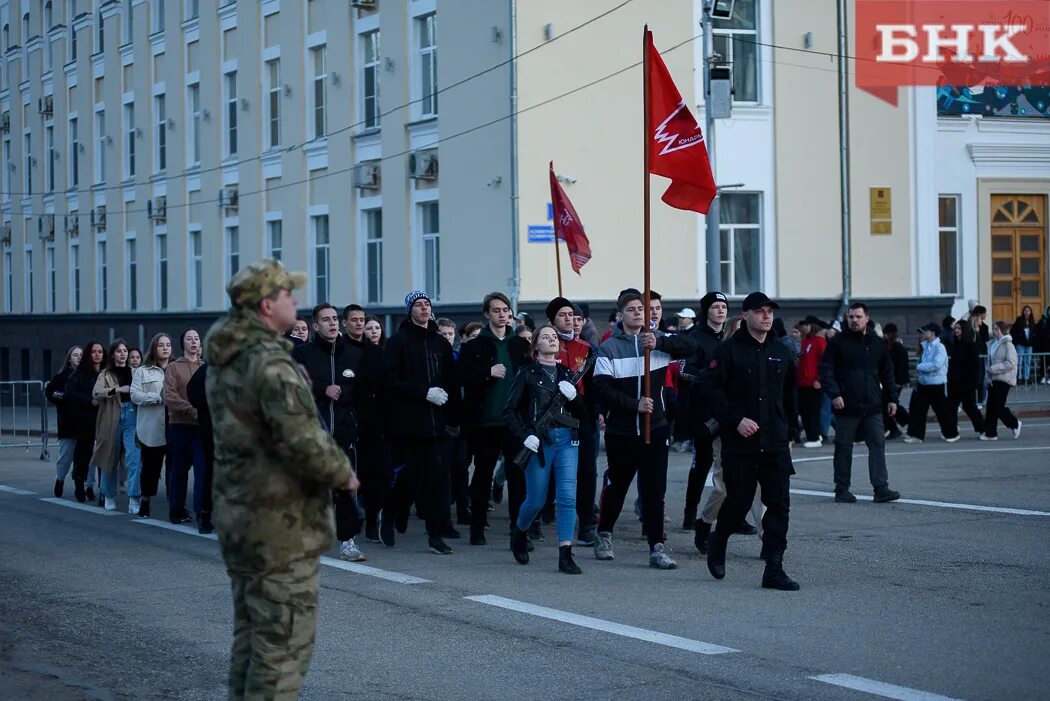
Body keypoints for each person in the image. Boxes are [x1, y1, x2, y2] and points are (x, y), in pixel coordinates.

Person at [202, 259, 354, 700]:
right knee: (283, 648)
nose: (297, 301)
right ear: (268, 306)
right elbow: (303, 438)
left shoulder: (229, 354)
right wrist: (344, 474)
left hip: (241, 514)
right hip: (278, 523)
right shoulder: (269, 363)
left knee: (252, 638)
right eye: (289, 294)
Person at [591, 289, 696, 570]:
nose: (639, 313)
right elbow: (601, 387)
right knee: (618, 485)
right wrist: (632, 404)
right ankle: (604, 534)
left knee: (654, 489)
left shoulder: (659, 341)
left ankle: (657, 545)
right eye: (632, 309)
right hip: (622, 429)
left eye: (642, 309)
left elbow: (693, 346)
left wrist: (660, 339)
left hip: (656, 426)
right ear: (620, 315)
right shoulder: (609, 347)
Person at [705, 292, 800, 591]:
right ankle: (718, 538)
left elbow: (790, 396)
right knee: (738, 501)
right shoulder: (729, 351)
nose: (766, 316)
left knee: (779, 505)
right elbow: (707, 392)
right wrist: (735, 420)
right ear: (745, 315)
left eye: (769, 311)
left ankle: (774, 568)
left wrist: (792, 433)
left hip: (774, 442)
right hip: (740, 444)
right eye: (759, 311)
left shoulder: (782, 351)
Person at [380, 290, 459, 554]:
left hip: (437, 424)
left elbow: (451, 381)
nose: (424, 308)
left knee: (436, 480)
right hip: (408, 423)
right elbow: (389, 381)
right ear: (409, 310)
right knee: (409, 478)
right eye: (418, 305)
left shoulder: (441, 344)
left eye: (427, 304)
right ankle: (391, 514)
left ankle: (434, 535)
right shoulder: (398, 342)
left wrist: (453, 415)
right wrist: (422, 392)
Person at [504, 324, 585, 574]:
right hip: (539, 442)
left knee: (567, 498)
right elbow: (509, 410)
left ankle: (565, 553)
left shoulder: (566, 373)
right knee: (536, 500)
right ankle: (520, 531)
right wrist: (525, 435)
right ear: (535, 344)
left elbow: (583, 413)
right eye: (545, 337)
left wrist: (575, 398)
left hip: (567, 441)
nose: (552, 340)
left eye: (554, 337)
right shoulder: (526, 373)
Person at [293, 303, 368, 562]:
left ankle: (348, 542)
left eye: (335, 319)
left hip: (346, 432)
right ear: (315, 326)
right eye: (326, 320)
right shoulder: (302, 354)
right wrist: (323, 389)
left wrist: (344, 393)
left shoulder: (355, 355)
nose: (332, 323)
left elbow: (361, 391)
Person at [457, 292, 532, 546]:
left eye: (505, 310)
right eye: (496, 310)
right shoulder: (474, 346)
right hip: (485, 421)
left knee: (517, 477)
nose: (502, 314)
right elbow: (462, 377)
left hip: (515, 423)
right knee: (482, 476)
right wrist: (486, 372)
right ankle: (477, 529)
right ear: (487, 314)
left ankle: (518, 531)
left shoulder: (520, 345)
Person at [819, 303, 901, 504]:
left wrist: (892, 399)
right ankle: (842, 489)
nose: (854, 320)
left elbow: (887, 372)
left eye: (858, 317)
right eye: (851, 317)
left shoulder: (877, 342)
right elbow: (826, 370)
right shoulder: (838, 342)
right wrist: (835, 394)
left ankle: (881, 488)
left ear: (867, 318)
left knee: (877, 446)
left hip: (873, 405)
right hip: (846, 406)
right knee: (844, 448)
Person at [547, 296, 600, 547]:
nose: (568, 319)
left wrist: (592, 409)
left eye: (571, 315)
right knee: (549, 471)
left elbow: (594, 386)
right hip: (551, 418)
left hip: (581, 417)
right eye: (562, 315)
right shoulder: (545, 345)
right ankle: (540, 516)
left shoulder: (586, 348)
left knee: (587, 471)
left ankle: (587, 523)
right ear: (552, 320)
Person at [682, 291, 728, 531]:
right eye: (716, 307)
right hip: (702, 412)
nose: (721, 311)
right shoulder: (695, 338)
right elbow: (685, 372)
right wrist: (710, 378)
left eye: (723, 306)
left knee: (730, 467)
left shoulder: (731, 337)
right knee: (701, 464)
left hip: (728, 412)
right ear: (706, 311)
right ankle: (690, 512)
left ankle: (732, 515)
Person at [90, 339, 142, 513]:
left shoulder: (135, 372)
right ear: (113, 354)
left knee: (134, 459)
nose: (123, 353)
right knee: (109, 458)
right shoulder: (106, 374)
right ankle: (108, 495)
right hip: (112, 417)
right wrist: (117, 390)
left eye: (125, 350)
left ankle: (134, 498)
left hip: (132, 417)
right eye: (119, 351)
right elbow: (96, 392)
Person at [164, 329, 208, 526]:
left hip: (202, 427)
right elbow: (169, 396)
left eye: (196, 339)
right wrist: (190, 410)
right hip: (180, 425)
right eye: (189, 339)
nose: (193, 342)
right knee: (179, 470)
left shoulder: (206, 367)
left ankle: (202, 512)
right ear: (183, 344)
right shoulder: (174, 367)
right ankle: (176, 509)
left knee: (202, 470)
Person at [130, 334, 172, 520]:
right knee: (151, 468)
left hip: (174, 425)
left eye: (168, 345)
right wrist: (155, 398)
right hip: (151, 426)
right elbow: (134, 395)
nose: (165, 348)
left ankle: (175, 503)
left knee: (174, 467)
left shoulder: (175, 368)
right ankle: (145, 500)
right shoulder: (143, 371)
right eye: (161, 345)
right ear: (154, 348)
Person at [904, 323, 959, 443]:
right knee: (918, 409)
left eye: (924, 331)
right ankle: (916, 435)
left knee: (942, 411)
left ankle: (951, 434)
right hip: (924, 383)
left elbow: (936, 364)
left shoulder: (940, 347)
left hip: (936, 384)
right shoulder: (926, 346)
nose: (922, 334)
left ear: (933, 332)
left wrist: (919, 367)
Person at [65, 342, 104, 503]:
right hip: (84, 419)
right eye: (93, 352)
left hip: (102, 418)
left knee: (102, 454)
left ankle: (102, 488)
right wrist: (90, 401)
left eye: (100, 352)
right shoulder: (80, 373)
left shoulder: (104, 372)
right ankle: (79, 485)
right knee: (83, 454)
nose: (97, 354)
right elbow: (70, 393)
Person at [46, 345, 82, 498]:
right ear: (69, 358)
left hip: (85, 423)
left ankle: (81, 486)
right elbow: (49, 391)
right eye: (75, 355)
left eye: (81, 354)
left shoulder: (88, 375)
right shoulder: (62, 377)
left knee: (84, 457)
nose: (79, 357)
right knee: (66, 457)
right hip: (67, 423)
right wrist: (62, 397)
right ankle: (60, 479)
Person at [981, 321, 1022, 441]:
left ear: (1001, 330)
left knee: (997, 406)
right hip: (994, 379)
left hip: (1004, 379)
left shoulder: (1008, 345)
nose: (993, 331)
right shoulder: (993, 344)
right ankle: (991, 433)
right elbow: (989, 363)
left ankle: (1014, 423)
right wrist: (987, 378)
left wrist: (994, 369)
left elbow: (1011, 363)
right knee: (990, 406)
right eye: (993, 328)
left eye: (995, 329)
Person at [946, 320, 986, 436]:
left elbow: (976, 365)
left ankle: (982, 428)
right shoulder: (955, 345)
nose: (956, 331)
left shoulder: (970, 345)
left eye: (959, 329)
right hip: (955, 383)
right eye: (955, 328)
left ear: (964, 330)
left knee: (969, 407)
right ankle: (952, 430)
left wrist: (975, 382)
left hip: (967, 383)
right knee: (951, 407)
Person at [797, 316, 827, 448]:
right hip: (803, 382)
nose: (804, 327)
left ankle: (815, 437)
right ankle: (812, 436)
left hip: (813, 383)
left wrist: (819, 379)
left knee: (812, 412)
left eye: (807, 325)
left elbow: (825, 363)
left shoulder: (820, 341)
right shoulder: (806, 341)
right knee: (804, 411)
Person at [881, 323, 911, 439]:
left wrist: (899, 382)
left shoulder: (898, 348)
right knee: (888, 405)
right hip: (888, 381)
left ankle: (903, 423)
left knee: (888, 405)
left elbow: (902, 367)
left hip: (895, 381)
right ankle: (896, 427)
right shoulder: (887, 346)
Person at [1011, 306, 1036, 384]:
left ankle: (1026, 377)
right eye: (1025, 310)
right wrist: (1018, 337)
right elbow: (1013, 331)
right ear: (1023, 312)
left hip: (1029, 345)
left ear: (1030, 312)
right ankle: (1019, 377)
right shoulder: (1019, 320)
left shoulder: (1032, 322)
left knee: (1028, 361)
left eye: (1028, 311)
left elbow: (1034, 332)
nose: (1027, 312)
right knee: (1019, 360)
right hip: (1020, 344)